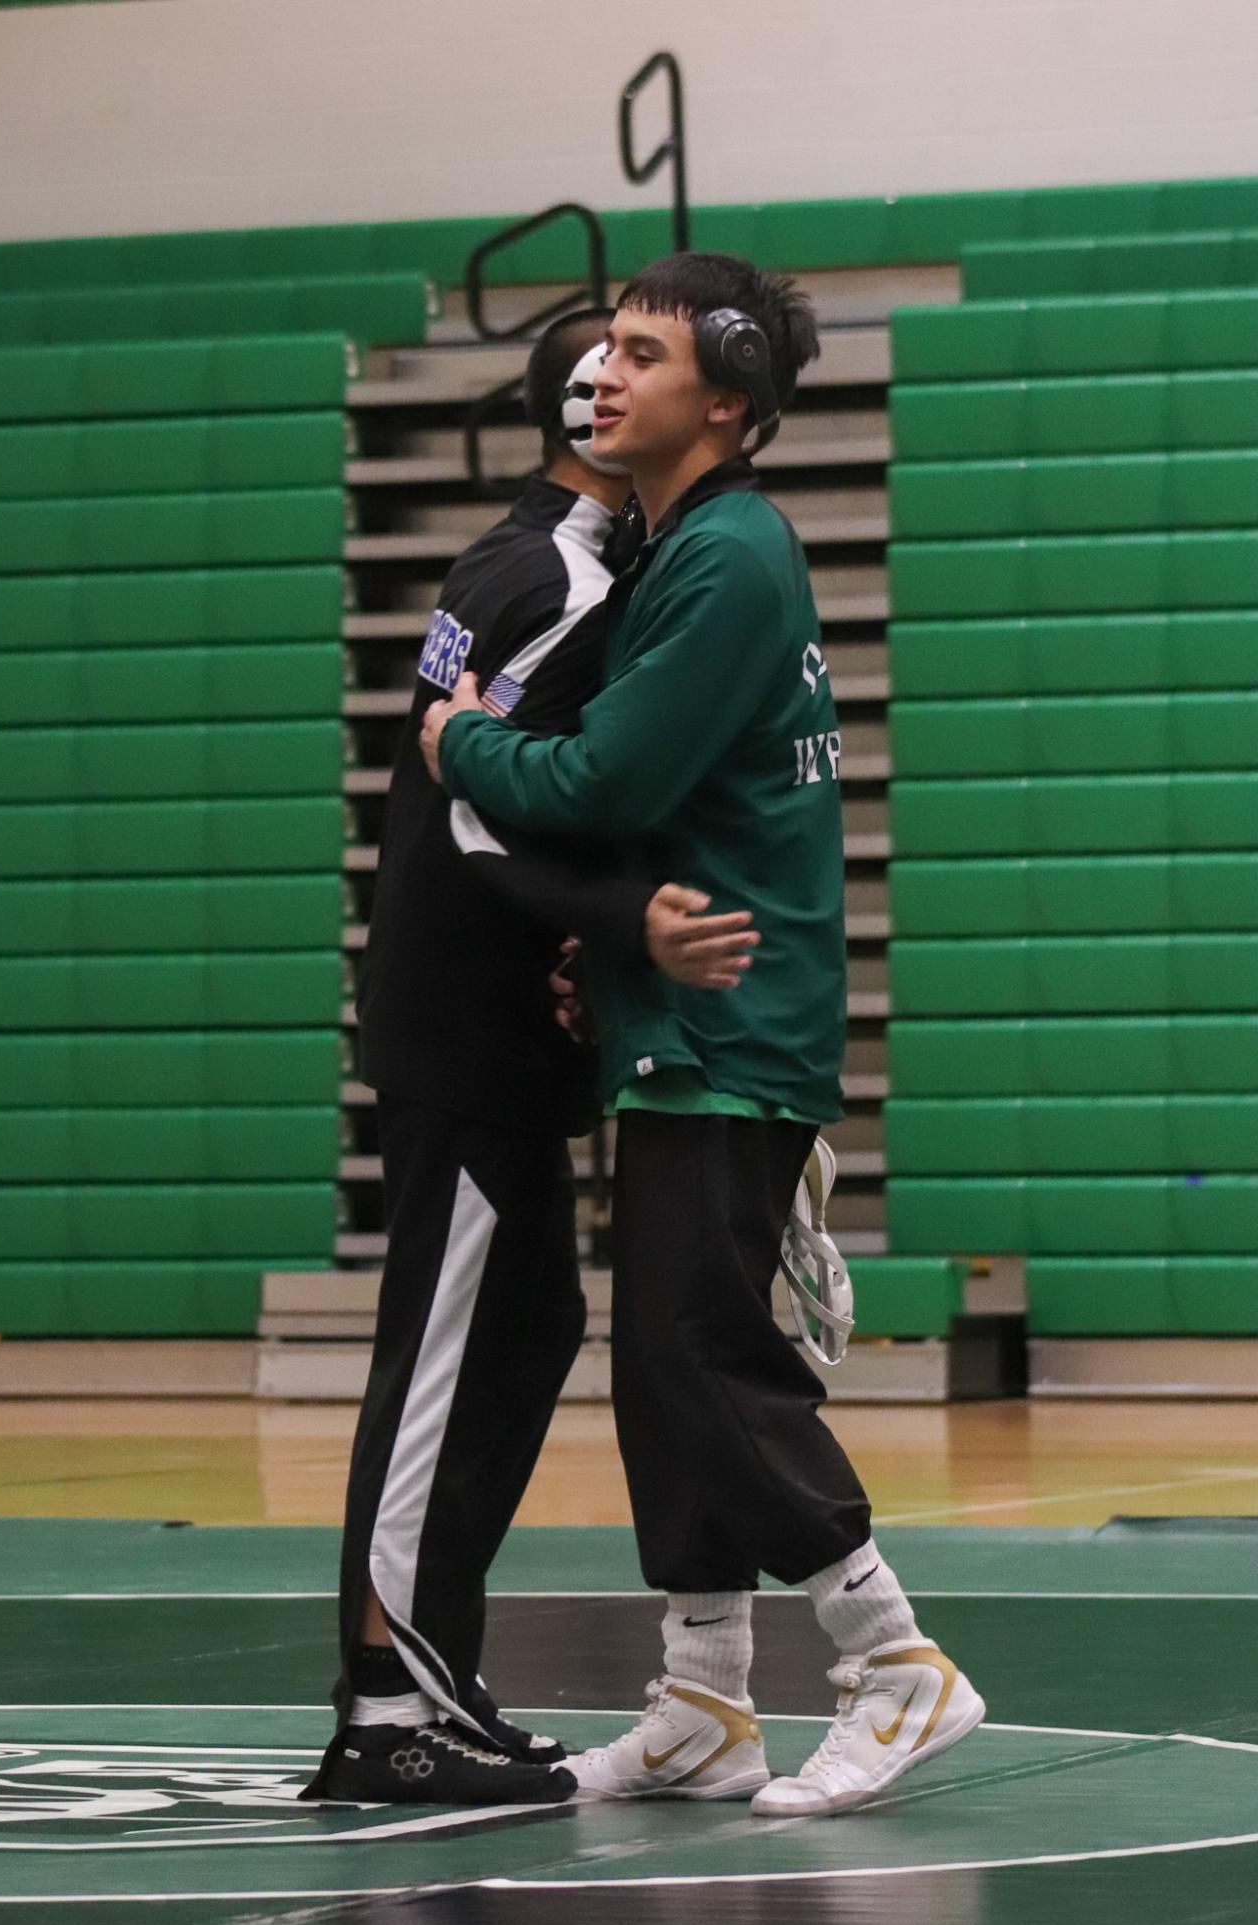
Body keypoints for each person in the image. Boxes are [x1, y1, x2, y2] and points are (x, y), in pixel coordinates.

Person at [421, 253, 985, 1818]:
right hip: (676, 1014)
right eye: (601, 344)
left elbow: (604, 781)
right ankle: (703, 1694)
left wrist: (461, 737)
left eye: (646, 351)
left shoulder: (729, 554)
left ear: (725, 401)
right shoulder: (686, 545)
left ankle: (893, 1661)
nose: (604, 373)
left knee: (698, 1348)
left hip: (736, 1022)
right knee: (659, 1367)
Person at [304, 307, 758, 1812]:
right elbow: (467, 800)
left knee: (523, 1326)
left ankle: (433, 1666)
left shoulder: (577, 560)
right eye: (609, 360)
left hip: (505, 1016)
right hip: (466, 1026)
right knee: (441, 1357)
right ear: (574, 404)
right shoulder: (546, 572)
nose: (627, 375)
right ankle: (382, 1703)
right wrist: (624, 919)